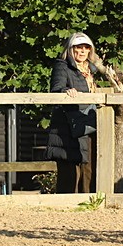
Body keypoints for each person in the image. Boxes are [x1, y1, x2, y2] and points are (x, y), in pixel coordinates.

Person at [46, 32, 102, 194]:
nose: (82, 51)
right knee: (69, 170)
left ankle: (89, 202)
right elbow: (56, 88)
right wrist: (66, 91)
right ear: (71, 48)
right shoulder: (62, 65)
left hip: (89, 122)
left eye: (86, 47)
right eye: (78, 47)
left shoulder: (92, 69)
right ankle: (66, 205)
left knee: (89, 168)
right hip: (68, 125)